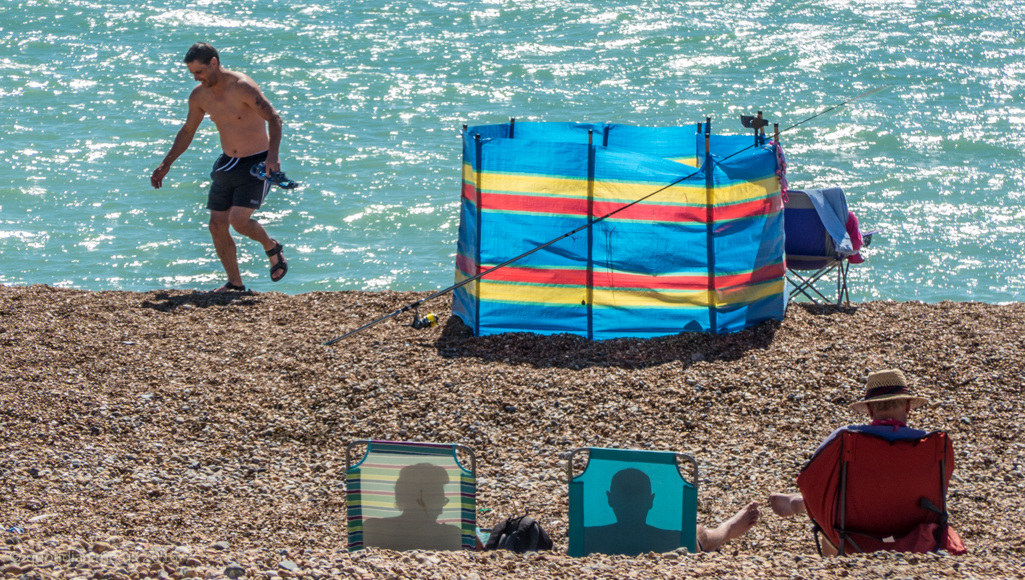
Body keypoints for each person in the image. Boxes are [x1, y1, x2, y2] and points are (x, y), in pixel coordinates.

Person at [150, 42, 288, 292]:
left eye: (199, 72)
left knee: (238, 221)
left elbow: (274, 119)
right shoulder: (199, 96)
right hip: (228, 162)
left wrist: (273, 157)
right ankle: (235, 284)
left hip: (257, 163)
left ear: (214, 63)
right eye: (192, 73)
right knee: (216, 225)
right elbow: (188, 130)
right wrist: (166, 163)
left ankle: (271, 246)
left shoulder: (242, 87)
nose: (196, 78)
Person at [769, 369, 929, 553]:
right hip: (914, 531)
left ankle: (802, 508)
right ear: (908, 406)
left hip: (854, 533)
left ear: (869, 409)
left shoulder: (846, 437)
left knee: (833, 515)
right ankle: (800, 504)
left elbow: (811, 479)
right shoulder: (929, 444)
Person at [585, 467, 760, 555]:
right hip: (674, 545)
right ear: (651, 501)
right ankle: (727, 528)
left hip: (595, 544)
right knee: (698, 532)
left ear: (609, 499)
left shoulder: (586, 538)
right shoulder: (675, 539)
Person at [362, 463, 463, 551]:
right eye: (437, 501)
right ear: (417, 502)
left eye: (442, 501)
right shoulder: (450, 535)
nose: (441, 511)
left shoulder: (374, 528)